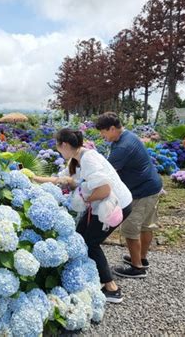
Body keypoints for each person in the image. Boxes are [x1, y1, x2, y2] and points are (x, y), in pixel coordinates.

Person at [33, 128, 133, 303]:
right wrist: (33, 178)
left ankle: (112, 289)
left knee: (90, 243)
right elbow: (61, 179)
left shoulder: (89, 159)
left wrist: (83, 198)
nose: (57, 150)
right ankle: (87, 276)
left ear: (63, 144)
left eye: (57, 146)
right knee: (78, 236)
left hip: (115, 206)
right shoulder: (77, 158)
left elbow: (104, 190)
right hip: (102, 205)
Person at [95, 112, 162, 279]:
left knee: (130, 228)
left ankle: (137, 267)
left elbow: (106, 173)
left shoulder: (123, 147)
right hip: (152, 186)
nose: (102, 136)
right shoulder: (127, 137)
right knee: (146, 225)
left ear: (112, 128)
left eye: (103, 132)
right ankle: (142, 258)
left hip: (142, 191)